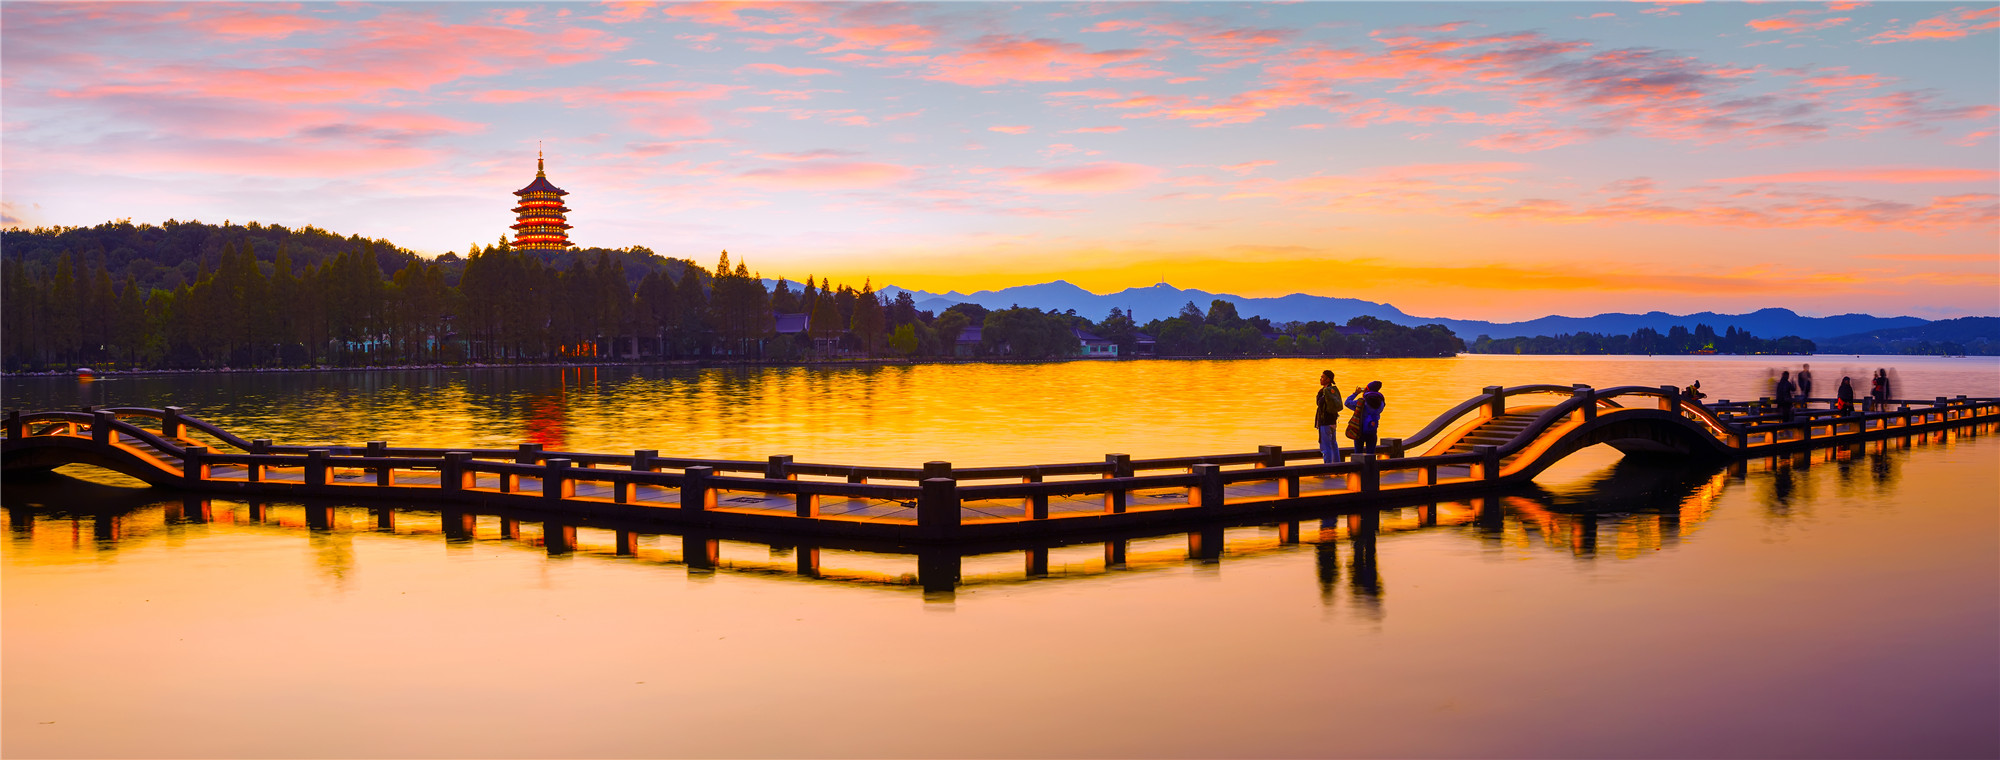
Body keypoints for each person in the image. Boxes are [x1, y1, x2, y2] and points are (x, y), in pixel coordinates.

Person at [1345, 380, 1386, 457]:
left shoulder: (1362, 402)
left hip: (1359, 431)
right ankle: (1370, 468)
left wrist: (1356, 393)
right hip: (1372, 430)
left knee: (1358, 455)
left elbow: (1347, 403)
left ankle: (1358, 468)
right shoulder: (1381, 402)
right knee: (1371, 455)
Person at [1314, 370, 1343, 464]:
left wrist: (1319, 394)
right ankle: (1337, 466)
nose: (1320, 379)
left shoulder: (1325, 391)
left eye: (1322, 377)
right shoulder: (1333, 390)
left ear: (1328, 379)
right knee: (1333, 444)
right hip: (1333, 421)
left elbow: (1319, 403)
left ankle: (1327, 468)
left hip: (1325, 422)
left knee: (1325, 446)